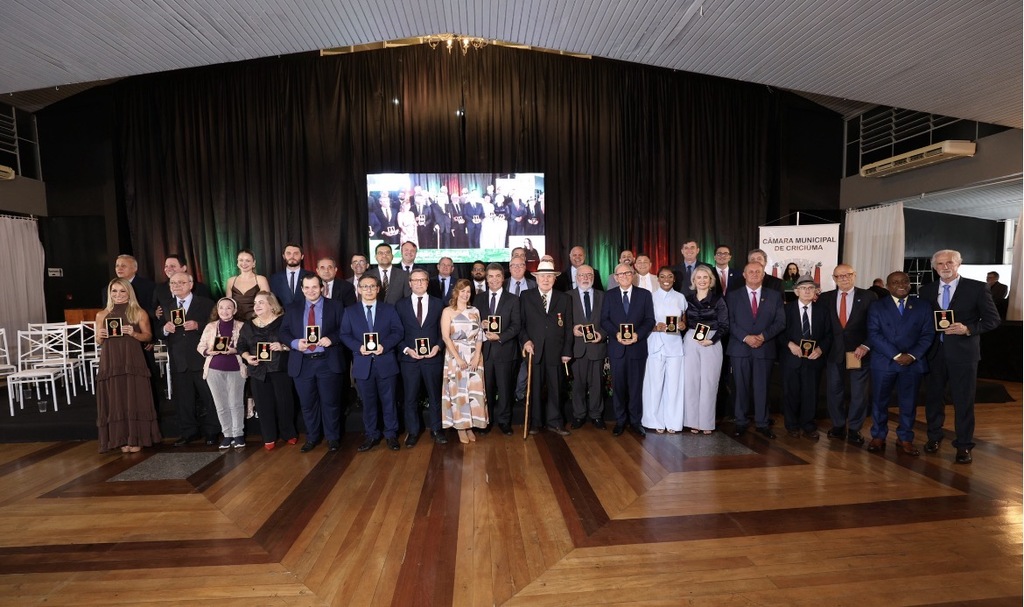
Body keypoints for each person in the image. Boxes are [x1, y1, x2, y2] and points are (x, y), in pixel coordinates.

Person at [920, 250, 1001, 464]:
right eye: (940, 263)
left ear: (959, 264)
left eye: (949, 263)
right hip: (934, 354)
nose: (944, 267)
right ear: (934, 266)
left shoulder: (976, 288)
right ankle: (934, 438)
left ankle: (964, 445)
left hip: (964, 355)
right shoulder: (926, 290)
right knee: (934, 399)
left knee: (963, 401)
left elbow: (993, 320)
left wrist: (967, 329)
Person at [866, 271, 934, 456]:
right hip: (885, 362)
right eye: (895, 282)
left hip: (913, 362)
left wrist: (912, 355)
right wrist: (896, 355)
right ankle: (878, 435)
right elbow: (874, 334)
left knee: (909, 402)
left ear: (910, 284)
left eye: (905, 281)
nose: (901, 284)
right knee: (880, 401)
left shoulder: (923, 306)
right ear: (888, 286)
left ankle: (905, 438)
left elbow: (928, 334)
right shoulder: (876, 306)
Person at [94, 278, 161, 453]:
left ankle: (137, 437)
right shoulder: (102, 314)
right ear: (109, 293)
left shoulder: (138, 312)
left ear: (129, 292)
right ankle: (120, 438)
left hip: (132, 359)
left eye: (122, 291)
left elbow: (148, 337)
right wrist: (100, 335)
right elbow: (99, 341)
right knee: (116, 397)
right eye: (114, 291)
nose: (118, 295)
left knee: (135, 395)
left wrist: (134, 333)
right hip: (111, 361)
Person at [281, 274, 346, 453]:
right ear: (302, 289)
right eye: (307, 287)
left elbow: (345, 330)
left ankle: (332, 438)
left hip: (327, 361)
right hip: (302, 363)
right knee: (308, 404)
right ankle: (312, 437)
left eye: (315, 287)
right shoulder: (292, 308)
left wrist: (331, 339)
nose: (311, 291)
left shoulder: (336, 306)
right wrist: (295, 343)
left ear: (322, 288)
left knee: (330, 402)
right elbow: (283, 332)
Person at [341, 275, 405, 452]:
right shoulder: (350, 311)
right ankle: (371, 435)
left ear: (378, 289)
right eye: (364, 287)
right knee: (368, 403)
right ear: (359, 290)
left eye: (372, 286)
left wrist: (384, 346)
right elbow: (344, 335)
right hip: (363, 365)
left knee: (389, 401)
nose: (368, 290)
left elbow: (398, 332)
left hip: (386, 362)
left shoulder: (389, 309)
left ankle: (391, 435)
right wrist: (358, 347)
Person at [817, 264, 877, 446]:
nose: (843, 278)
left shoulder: (868, 296)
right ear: (834, 278)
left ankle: (854, 429)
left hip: (857, 353)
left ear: (854, 275)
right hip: (834, 353)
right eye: (839, 276)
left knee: (859, 393)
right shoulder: (825, 298)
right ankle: (838, 425)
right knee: (834, 391)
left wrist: (866, 345)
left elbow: (875, 325)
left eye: (847, 275)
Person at [726, 262, 786, 439]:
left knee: (762, 388)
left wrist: (762, 337)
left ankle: (762, 423)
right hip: (740, 348)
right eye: (750, 271)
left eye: (757, 272)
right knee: (740, 387)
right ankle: (740, 422)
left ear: (763, 275)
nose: (754, 274)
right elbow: (729, 321)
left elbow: (780, 322)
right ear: (744, 275)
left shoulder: (774, 296)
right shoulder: (732, 296)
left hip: (764, 348)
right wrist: (746, 337)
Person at [162, 273, 220, 446]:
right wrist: (165, 329)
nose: (176, 285)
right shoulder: (167, 305)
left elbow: (217, 327)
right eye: (173, 283)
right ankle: (189, 432)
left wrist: (198, 326)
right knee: (183, 400)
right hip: (179, 360)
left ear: (191, 284)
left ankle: (212, 431)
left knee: (209, 397)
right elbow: (158, 331)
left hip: (200, 358)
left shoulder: (206, 303)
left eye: (181, 282)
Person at [600, 262, 656, 437]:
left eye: (627, 273)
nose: (624, 276)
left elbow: (649, 320)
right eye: (620, 274)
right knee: (618, 388)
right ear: (615, 278)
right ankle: (620, 421)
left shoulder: (645, 295)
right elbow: (604, 320)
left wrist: (637, 335)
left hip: (637, 348)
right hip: (617, 349)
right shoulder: (609, 296)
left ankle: (635, 421)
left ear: (633, 275)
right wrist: (616, 334)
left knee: (636, 387)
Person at [237, 291, 297, 450]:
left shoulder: (284, 321)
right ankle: (269, 437)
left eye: (261, 302)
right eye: (255, 303)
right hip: (258, 370)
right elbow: (241, 345)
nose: (256, 306)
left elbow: (294, 340)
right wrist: (247, 357)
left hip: (279, 368)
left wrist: (283, 346)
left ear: (271, 305)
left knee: (285, 403)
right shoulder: (248, 324)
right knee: (263, 405)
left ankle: (288, 433)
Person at [520, 261, 575, 435]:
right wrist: (526, 341)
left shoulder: (565, 298)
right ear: (536, 278)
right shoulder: (526, 296)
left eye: (549, 276)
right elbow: (520, 324)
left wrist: (567, 351)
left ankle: (555, 422)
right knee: (534, 388)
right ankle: (535, 422)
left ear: (554, 279)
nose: (545, 279)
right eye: (542, 276)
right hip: (534, 351)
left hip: (556, 352)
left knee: (556, 388)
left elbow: (568, 327)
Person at [396, 269, 447, 446]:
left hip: (433, 358)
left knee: (435, 395)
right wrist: (406, 350)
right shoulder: (400, 305)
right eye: (415, 280)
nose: (419, 283)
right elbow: (396, 333)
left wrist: (438, 347)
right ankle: (412, 432)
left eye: (422, 280)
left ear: (428, 282)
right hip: (410, 360)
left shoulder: (439, 304)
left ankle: (436, 429)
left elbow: (444, 332)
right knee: (410, 398)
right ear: (409, 283)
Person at [779, 276, 832, 439]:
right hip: (791, 359)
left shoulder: (823, 310)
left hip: (813, 359)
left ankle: (809, 425)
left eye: (811, 288)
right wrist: (790, 345)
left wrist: (821, 349)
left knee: (811, 393)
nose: (807, 291)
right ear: (796, 291)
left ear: (816, 291)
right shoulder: (786, 310)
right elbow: (778, 332)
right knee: (791, 393)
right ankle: (792, 425)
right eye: (803, 288)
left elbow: (829, 334)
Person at [440, 279, 490, 443]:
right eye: (463, 291)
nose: (466, 294)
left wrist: (476, 356)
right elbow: (446, 338)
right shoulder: (448, 311)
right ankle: (461, 428)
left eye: (468, 291)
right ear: (456, 292)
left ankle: (470, 425)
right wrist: (458, 358)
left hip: (474, 356)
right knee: (459, 393)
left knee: (473, 392)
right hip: (456, 356)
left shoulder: (475, 310)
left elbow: (479, 335)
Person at [475, 263, 522, 436]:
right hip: (484, 352)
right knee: (485, 389)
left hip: (505, 351)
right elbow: (473, 323)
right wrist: (480, 325)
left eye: (497, 276)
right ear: (486, 279)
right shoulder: (478, 299)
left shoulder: (513, 299)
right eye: (490, 276)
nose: (494, 280)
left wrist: (500, 336)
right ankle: (486, 421)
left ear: (503, 278)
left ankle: (504, 421)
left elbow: (517, 326)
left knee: (505, 389)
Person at [640, 266, 688, 433]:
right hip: (655, 345)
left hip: (675, 345)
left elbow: (683, 321)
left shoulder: (681, 298)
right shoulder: (650, 298)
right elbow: (644, 322)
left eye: (669, 276)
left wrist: (682, 325)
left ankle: (673, 422)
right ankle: (655, 421)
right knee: (655, 384)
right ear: (658, 279)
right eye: (662, 276)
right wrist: (655, 327)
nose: (666, 279)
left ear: (674, 279)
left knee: (674, 385)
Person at [682, 266, 728, 434]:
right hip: (691, 339)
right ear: (693, 281)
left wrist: (712, 340)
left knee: (709, 382)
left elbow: (725, 325)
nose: (702, 280)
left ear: (710, 281)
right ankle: (693, 421)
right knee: (691, 382)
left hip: (712, 341)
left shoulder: (718, 299)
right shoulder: (686, 299)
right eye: (698, 277)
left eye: (705, 277)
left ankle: (707, 423)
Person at [198, 297, 247, 449]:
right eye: (221, 308)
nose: (224, 311)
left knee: (236, 403)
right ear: (217, 310)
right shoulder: (210, 327)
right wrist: (208, 351)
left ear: (235, 310)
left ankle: (238, 434)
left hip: (236, 369)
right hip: (213, 369)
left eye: (228, 308)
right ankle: (227, 435)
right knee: (221, 405)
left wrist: (236, 350)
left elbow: (248, 346)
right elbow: (200, 346)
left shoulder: (242, 326)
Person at [569, 264, 607, 429]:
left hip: (597, 347)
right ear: (576, 278)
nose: (585, 278)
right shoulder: (567, 296)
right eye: (582, 275)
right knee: (578, 384)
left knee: (597, 384)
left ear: (593, 277)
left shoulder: (603, 296)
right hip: (577, 348)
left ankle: (596, 415)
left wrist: (602, 334)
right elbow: (562, 322)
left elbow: (609, 321)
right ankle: (579, 415)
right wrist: (572, 330)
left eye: (589, 275)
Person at [225, 249, 271, 320]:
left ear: (254, 263)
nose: (244, 263)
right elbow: (228, 304)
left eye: (248, 261)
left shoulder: (261, 279)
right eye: (241, 260)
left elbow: (266, 303)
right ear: (237, 262)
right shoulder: (230, 281)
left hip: (257, 320)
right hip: (236, 321)